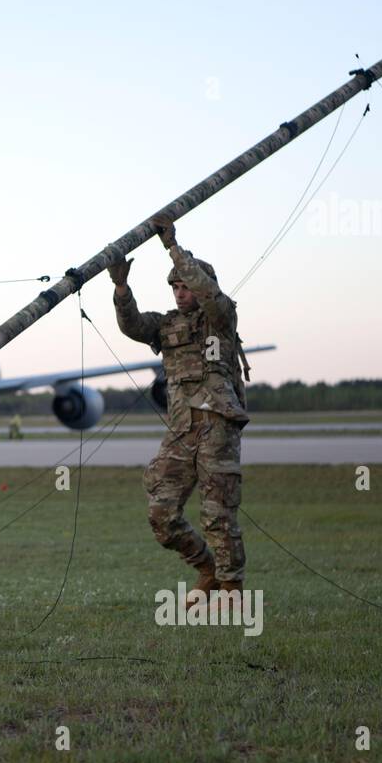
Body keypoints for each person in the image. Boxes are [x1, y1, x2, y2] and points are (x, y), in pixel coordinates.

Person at [108, 214, 250, 604]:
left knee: (218, 512)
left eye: (186, 285)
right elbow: (133, 325)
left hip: (216, 423)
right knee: (161, 512)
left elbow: (209, 293)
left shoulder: (220, 318)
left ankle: (231, 589)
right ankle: (206, 569)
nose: (180, 292)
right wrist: (122, 287)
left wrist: (173, 248)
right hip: (183, 428)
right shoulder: (167, 325)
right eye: (175, 286)